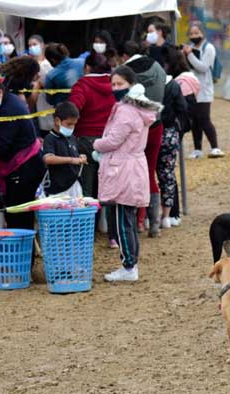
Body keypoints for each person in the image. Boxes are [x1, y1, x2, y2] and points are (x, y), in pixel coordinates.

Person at [97, 66, 163, 283]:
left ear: (130, 84)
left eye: (120, 84)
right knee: (128, 221)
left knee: (121, 221)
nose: (115, 88)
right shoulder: (138, 108)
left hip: (122, 169)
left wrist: (96, 144)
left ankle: (128, 265)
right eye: (113, 84)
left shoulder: (126, 111)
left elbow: (113, 140)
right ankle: (130, 263)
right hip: (131, 166)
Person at [0, 76, 45, 230]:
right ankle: (23, 251)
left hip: (24, 167)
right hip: (27, 162)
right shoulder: (10, 100)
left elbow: (0, 148)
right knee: (20, 216)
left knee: (19, 218)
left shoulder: (8, 111)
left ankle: (24, 252)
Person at [67, 53, 116, 246]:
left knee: (87, 189)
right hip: (110, 140)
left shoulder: (82, 85)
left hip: (85, 141)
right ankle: (113, 236)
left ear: (87, 68)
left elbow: (73, 109)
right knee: (109, 188)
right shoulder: (114, 84)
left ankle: (87, 233)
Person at [120, 40, 167, 237]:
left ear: (124, 56)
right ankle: (154, 223)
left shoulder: (124, 71)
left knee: (133, 173)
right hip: (156, 124)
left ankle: (139, 222)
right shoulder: (157, 66)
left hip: (135, 130)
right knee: (149, 172)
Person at [183, 22, 224, 159]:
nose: (194, 36)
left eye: (197, 33)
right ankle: (197, 149)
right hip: (191, 88)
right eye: (191, 34)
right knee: (195, 120)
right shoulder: (191, 48)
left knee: (204, 118)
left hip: (204, 89)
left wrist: (189, 55)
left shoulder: (209, 48)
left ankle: (215, 147)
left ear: (202, 33)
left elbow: (203, 67)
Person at [158, 49, 189, 229]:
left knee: (147, 175)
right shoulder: (174, 85)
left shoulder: (144, 84)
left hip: (150, 133)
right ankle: (167, 216)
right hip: (169, 133)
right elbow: (183, 108)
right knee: (168, 174)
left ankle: (147, 217)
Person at [43, 102, 85, 197]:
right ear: (57, 121)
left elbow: (75, 155)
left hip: (74, 184)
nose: (72, 127)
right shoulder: (50, 138)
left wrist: (81, 157)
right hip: (58, 189)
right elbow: (48, 159)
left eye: (74, 124)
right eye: (69, 124)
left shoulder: (72, 137)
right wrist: (71, 160)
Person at [27, 34, 55, 137]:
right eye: (29, 45)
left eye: (34, 44)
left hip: (46, 104)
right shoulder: (29, 65)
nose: (32, 47)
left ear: (42, 45)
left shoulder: (47, 65)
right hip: (34, 106)